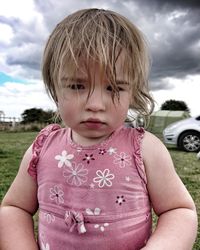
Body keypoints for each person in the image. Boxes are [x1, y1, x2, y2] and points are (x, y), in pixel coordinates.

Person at [0, 8, 197, 250]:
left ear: (132, 91)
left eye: (113, 88)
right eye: (77, 85)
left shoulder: (145, 149)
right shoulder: (41, 149)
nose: (95, 105)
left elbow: (178, 210)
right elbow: (14, 208)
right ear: (55, 86)